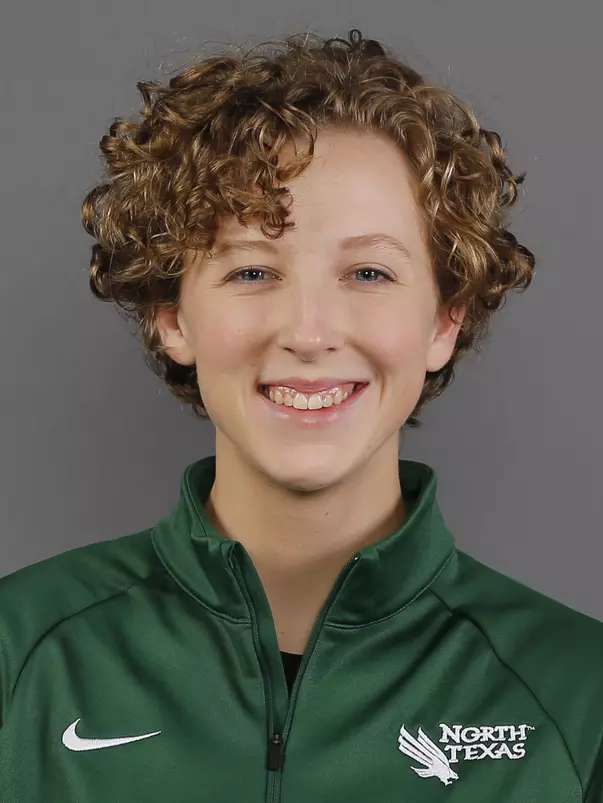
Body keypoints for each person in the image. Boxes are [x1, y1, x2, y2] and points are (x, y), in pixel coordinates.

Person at [0, 27, 601, 802]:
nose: (310, 332)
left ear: (443, 321)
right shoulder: (19, 657)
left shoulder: (577, 698)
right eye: (252, 269)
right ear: (171, 315)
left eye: (369, 271)